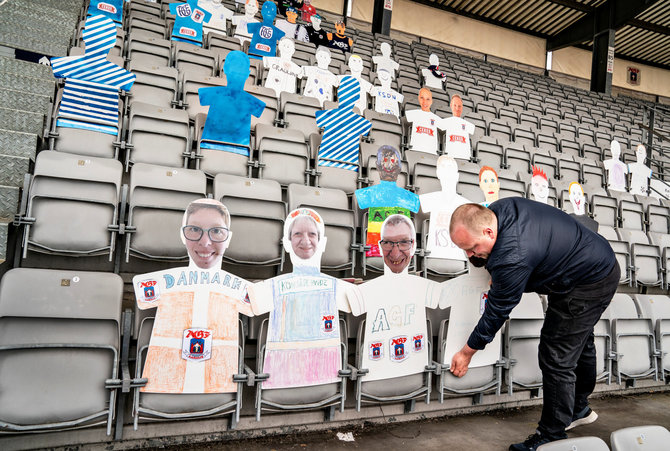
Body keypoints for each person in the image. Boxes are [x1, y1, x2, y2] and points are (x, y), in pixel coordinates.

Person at [449, 199, 619, 450]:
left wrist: (467, 352)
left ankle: (552, 434)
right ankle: (578, 407)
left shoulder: (512, 255)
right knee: (579, 341)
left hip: (588, 280)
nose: (470, 255)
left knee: (556, 355)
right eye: (464, 250)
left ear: (488, 231)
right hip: (593, 262)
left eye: (472, 248)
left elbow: (496, 313)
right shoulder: (498, 210)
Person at [132, 199, 252, 394]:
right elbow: (142, 292)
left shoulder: (241, 289)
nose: (205, 242)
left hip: (220, 385)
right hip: (164, 382)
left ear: (228, 238)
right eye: (194, 230)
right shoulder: (160, 283)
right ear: (182, 235)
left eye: (216, 231)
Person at [247, 208, 362, 390]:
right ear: (287, 242)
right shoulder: (273, 286)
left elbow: (361, 302)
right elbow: (247, 301)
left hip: (325, 379)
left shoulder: (335, 286)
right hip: (280, 379)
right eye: (297, 234)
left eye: (312, 234)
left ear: (322, 242)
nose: (306, 240)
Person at [405, 87, 444, 155]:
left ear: (431, 101)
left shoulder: (437, 119)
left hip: (432, 154)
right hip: (415, 151)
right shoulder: (412, 113)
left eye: (428, 99)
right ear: (418, 98)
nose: (424, 102)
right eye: (422, 98)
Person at [437, 95, 475, 160]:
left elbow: (473, 128)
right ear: (451, 106)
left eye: (459, 106)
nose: (457, 109)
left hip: (464, 157)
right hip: (450, 156)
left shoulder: (468, 124)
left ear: (462, 108)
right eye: (455, 105)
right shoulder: (445, 121)